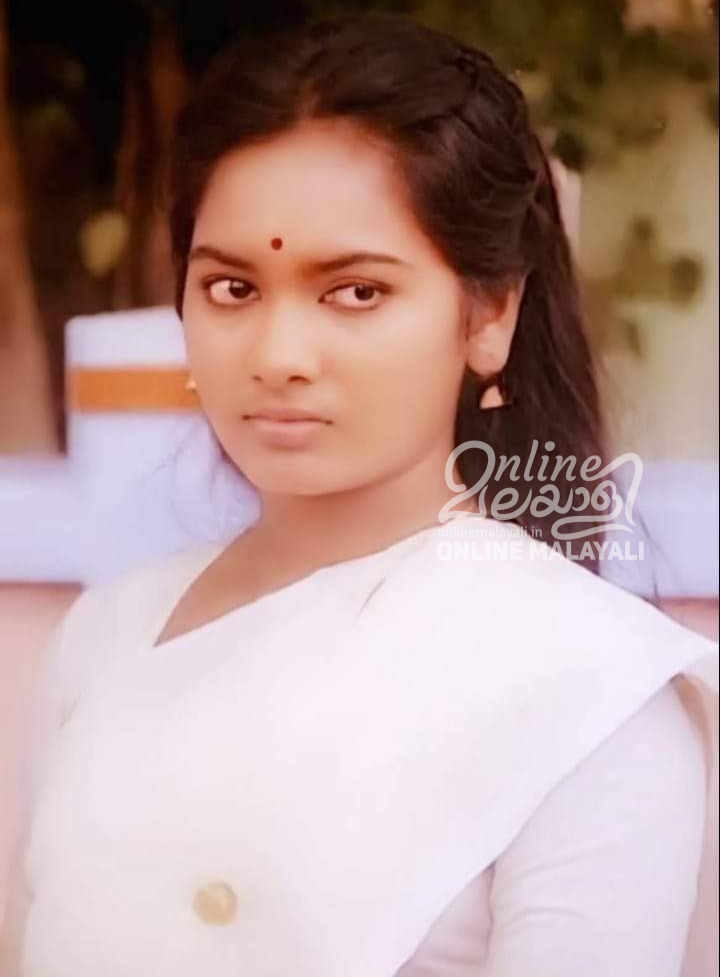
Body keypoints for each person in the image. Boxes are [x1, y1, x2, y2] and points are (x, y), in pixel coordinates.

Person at [2, 12, 717, 977]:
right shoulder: (108, 633)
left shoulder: (585, 695)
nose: (280, 355)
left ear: (490, 314)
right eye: (232, 289)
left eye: (356, 292)